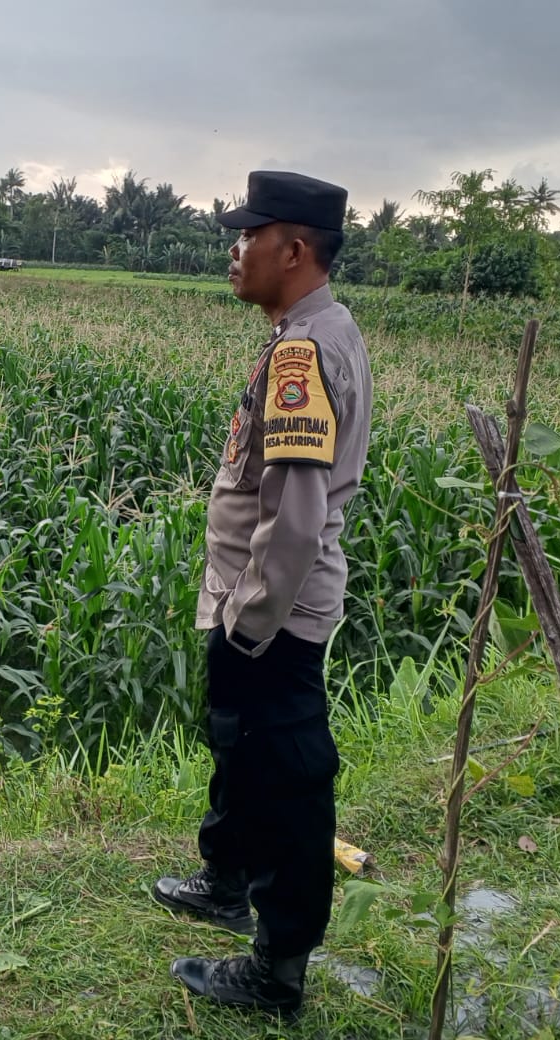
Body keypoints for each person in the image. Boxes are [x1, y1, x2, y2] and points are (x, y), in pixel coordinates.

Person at [153, 170, 374, 1015]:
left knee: (285, 775)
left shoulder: (302, 350)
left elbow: (296, 515)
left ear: (295, 249)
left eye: (251, 234)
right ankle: (227, 882)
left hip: (270, 614)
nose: (235, 250)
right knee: (245, 755)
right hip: (259, 604)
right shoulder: (318, 328)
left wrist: (247, 627)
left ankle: (276, 970)